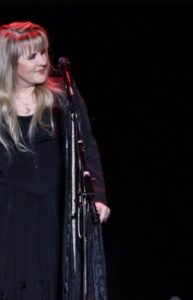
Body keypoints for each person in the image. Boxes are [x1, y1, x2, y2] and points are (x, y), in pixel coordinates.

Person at [0, 21, 110, 299]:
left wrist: (97, 196)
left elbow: (88, 146)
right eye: (32, 56)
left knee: (56, 281)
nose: (43, 62)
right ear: (10, 63)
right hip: (11, 210)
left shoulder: (62, 96)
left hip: (56, 207)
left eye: (44, 53)